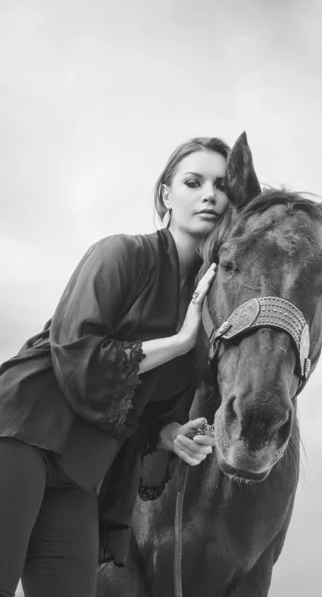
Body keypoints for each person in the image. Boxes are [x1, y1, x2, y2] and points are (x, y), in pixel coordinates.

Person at [0, 136, 232, 597]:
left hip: (81, 474)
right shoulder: (121, 253)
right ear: (167, 195)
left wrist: (170, 434)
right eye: (193, 181)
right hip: (22, 432)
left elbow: (141, 409)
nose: (209, 194)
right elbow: (77, 352)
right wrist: (180, 341)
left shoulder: (205, 305)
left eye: (222, 185)